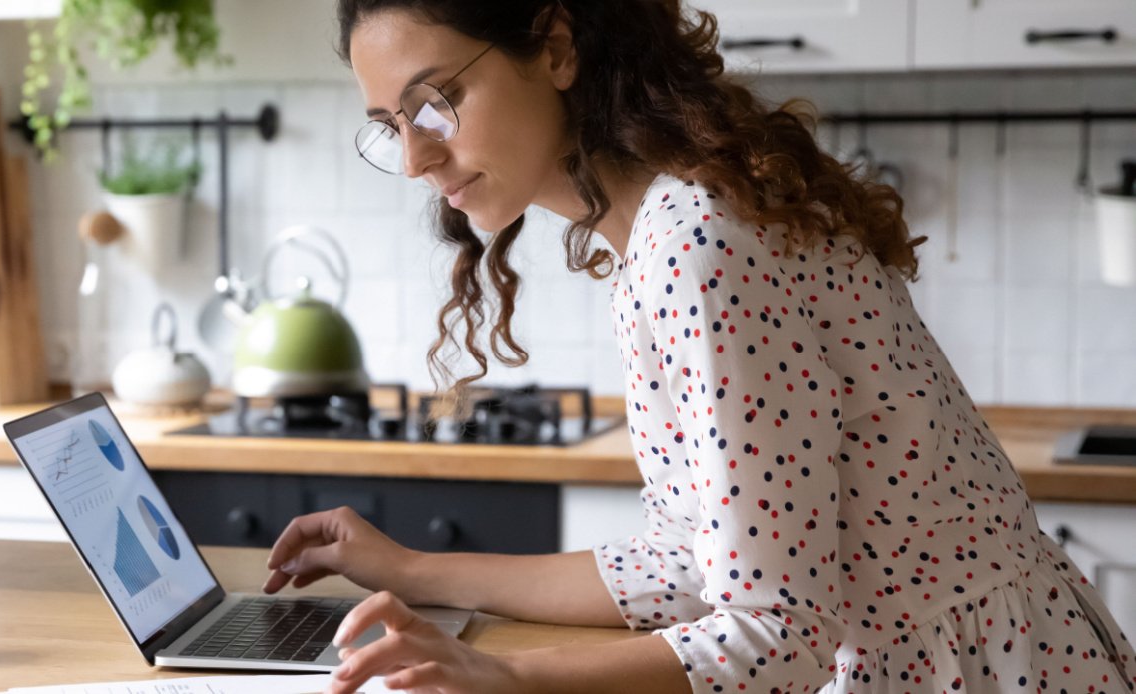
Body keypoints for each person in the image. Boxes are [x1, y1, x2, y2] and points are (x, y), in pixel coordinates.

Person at [260, 1, 1136, 692]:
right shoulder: (662, 228)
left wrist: (508, 675)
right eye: (390, 122)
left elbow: (776, 634)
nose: (414, 157)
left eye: (435, 101)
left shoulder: (698, 244)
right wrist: (416, 572)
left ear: (557, 48)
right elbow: (693, 558)